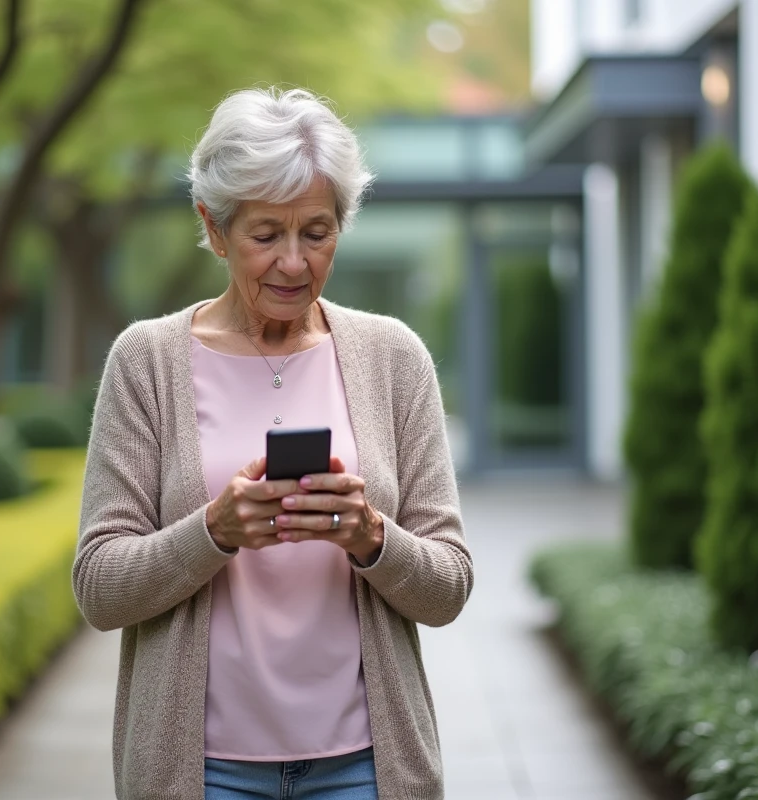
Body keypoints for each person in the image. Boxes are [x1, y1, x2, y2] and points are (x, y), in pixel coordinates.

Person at [73, 87, 473, 800]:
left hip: (366, 769)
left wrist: (370, 535)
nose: (294, 263)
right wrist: (213, 532)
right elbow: (99, 588)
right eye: (266, 235)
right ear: (214, 227)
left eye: (317, 232)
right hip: (202, 772)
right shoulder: (146, 362)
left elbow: (448, 588)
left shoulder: (393, 357)